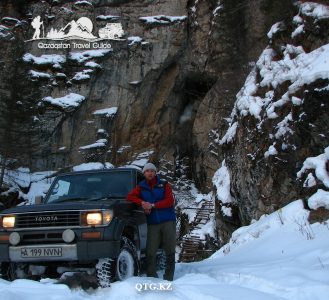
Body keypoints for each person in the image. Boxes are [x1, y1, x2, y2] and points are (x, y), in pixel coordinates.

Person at [126, 163, 176, 281]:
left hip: (168, 220)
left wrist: (152, 205)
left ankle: (169, 277)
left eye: (152, 171)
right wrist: (143, 203)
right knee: (150, 251)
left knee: (169, 250)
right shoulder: (141, 186)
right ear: (144, 173)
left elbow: (169, 201)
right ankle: (151, 277)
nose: (150, 173)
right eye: (147, 171)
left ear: (155, 173)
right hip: (152, 223)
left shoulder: (164, 184)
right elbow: (130, 197)